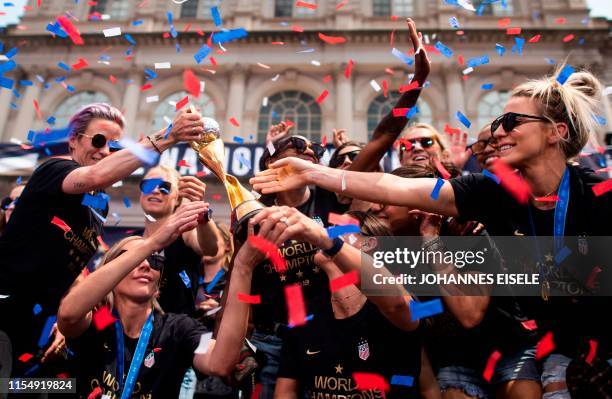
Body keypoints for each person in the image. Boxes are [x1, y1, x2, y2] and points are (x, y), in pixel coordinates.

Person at [250, 66, 611, 398]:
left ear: (556, 131)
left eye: (513, 121)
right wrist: (312, 173)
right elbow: (396, 188)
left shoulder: (600, 197)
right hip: (560, 351)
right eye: (499, 119)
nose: (499, 130)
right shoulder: (490, 191)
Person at [0, 102, 205, 376]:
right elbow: (95, 175)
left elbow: (72, 267)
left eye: (115, 147)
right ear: (73, 140)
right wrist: (167, 136)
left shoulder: (99, 207)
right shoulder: (53, 171)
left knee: (42, 390)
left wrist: (68, 317)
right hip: (6, 312)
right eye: (98, 140)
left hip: (45, 330)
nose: (106, 151)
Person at [57, 201, 261, 399]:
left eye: (154, 259)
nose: (145, 264)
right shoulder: (101, 320)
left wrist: (243, 268)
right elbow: (68, 314)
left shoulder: (177, 329)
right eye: (134, 258)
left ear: (157, 286)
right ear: (111, 271)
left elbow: (219, 362)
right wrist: (152, 243)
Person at [246, 206, 422, 398]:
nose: (326, 233)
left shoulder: (397, 301)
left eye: (338, 229)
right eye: (328, 229)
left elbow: (397, 304)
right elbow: (286, 391)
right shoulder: (303, 312)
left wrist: (328, 242)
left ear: (369, 243)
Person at [139, 165, 221, 316]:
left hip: (177, 332)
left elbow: (210, 249)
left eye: (165, 188)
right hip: (135, 332)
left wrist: (200, 211)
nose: (155, 190)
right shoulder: (131, 242)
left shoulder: (184, 232)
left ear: (177, 200)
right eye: (149, 185)